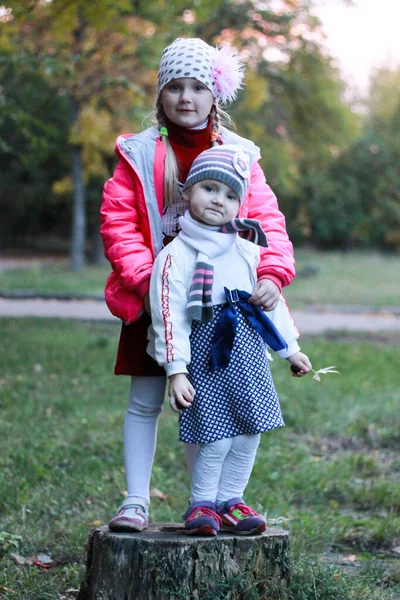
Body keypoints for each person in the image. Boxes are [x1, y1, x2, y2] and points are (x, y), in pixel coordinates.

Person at [100, 37, 296, 533]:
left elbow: (266, 220)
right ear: (160, 97)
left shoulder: (239, 156)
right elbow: (119, 222)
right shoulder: (141, 153)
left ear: (216, 96)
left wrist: (272, 272)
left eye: (197, 87)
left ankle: (204, 501)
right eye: (174, 87)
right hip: (155, 299)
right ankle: (135, 501)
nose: (186, 98)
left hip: (219, 308)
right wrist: (148, 284)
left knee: (207, 405)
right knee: (146, 400)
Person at [147, 145, 311, 536]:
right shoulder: (177, 256)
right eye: (209, 188)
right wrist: (176, 371)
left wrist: (292, 349)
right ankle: (202, 503)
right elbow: (169, 317)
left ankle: (232, 501)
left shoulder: (249, 250)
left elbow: (270, 308)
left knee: (249, 433)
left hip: (248, 355)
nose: (219, 200)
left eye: (231, 194)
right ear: (187, 192)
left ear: (241, 204)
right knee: (216, 437)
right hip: (206, 358)